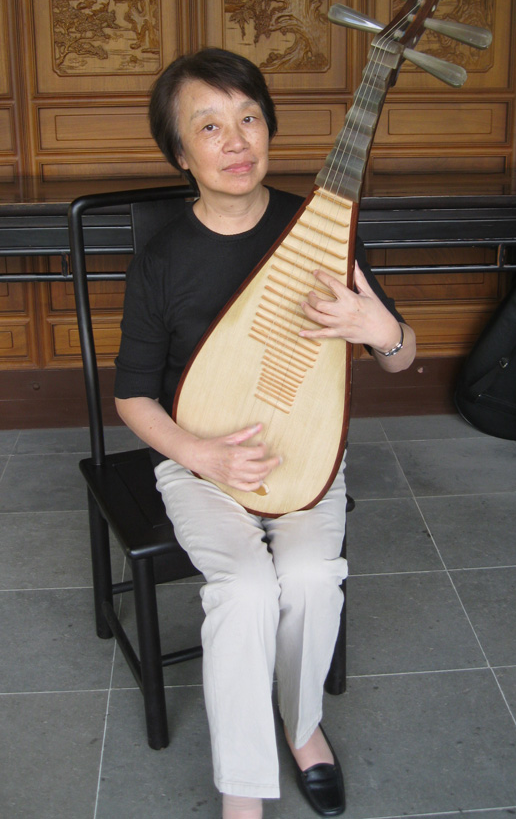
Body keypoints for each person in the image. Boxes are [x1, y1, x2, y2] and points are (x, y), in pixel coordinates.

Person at [114, 47, 416, 819]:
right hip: (202, 462)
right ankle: (243, 788)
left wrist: (379, 327)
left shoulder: (316, 228)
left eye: (249, 118)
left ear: (270, 131)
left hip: (306, 454)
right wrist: (198, 451)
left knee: (314, 578)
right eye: (209, 126)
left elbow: (401, 359)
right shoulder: (161, 259)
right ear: (181, 154)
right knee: (245, 588)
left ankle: (302, 725)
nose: (236, 140)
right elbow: (132, 397)